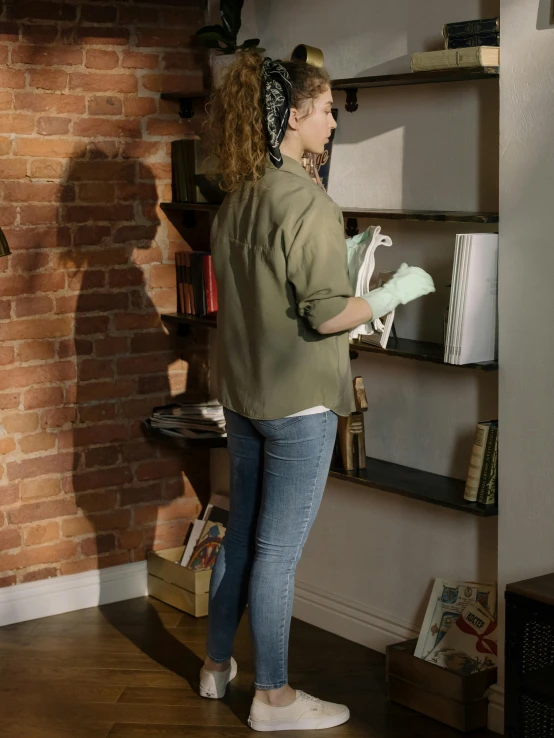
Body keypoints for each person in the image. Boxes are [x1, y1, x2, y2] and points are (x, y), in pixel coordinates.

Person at [197, 51, 435, 732]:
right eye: (328, 109)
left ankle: (216, 668)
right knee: (276, 554)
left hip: (242, 400)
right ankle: (272, 697)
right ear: (294, 114)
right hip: (298, 406)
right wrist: (393, 291)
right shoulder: (305, 201)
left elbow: (264, 295)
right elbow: (327, 315)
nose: (333, 122)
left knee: (240, 537)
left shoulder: (237, 195)